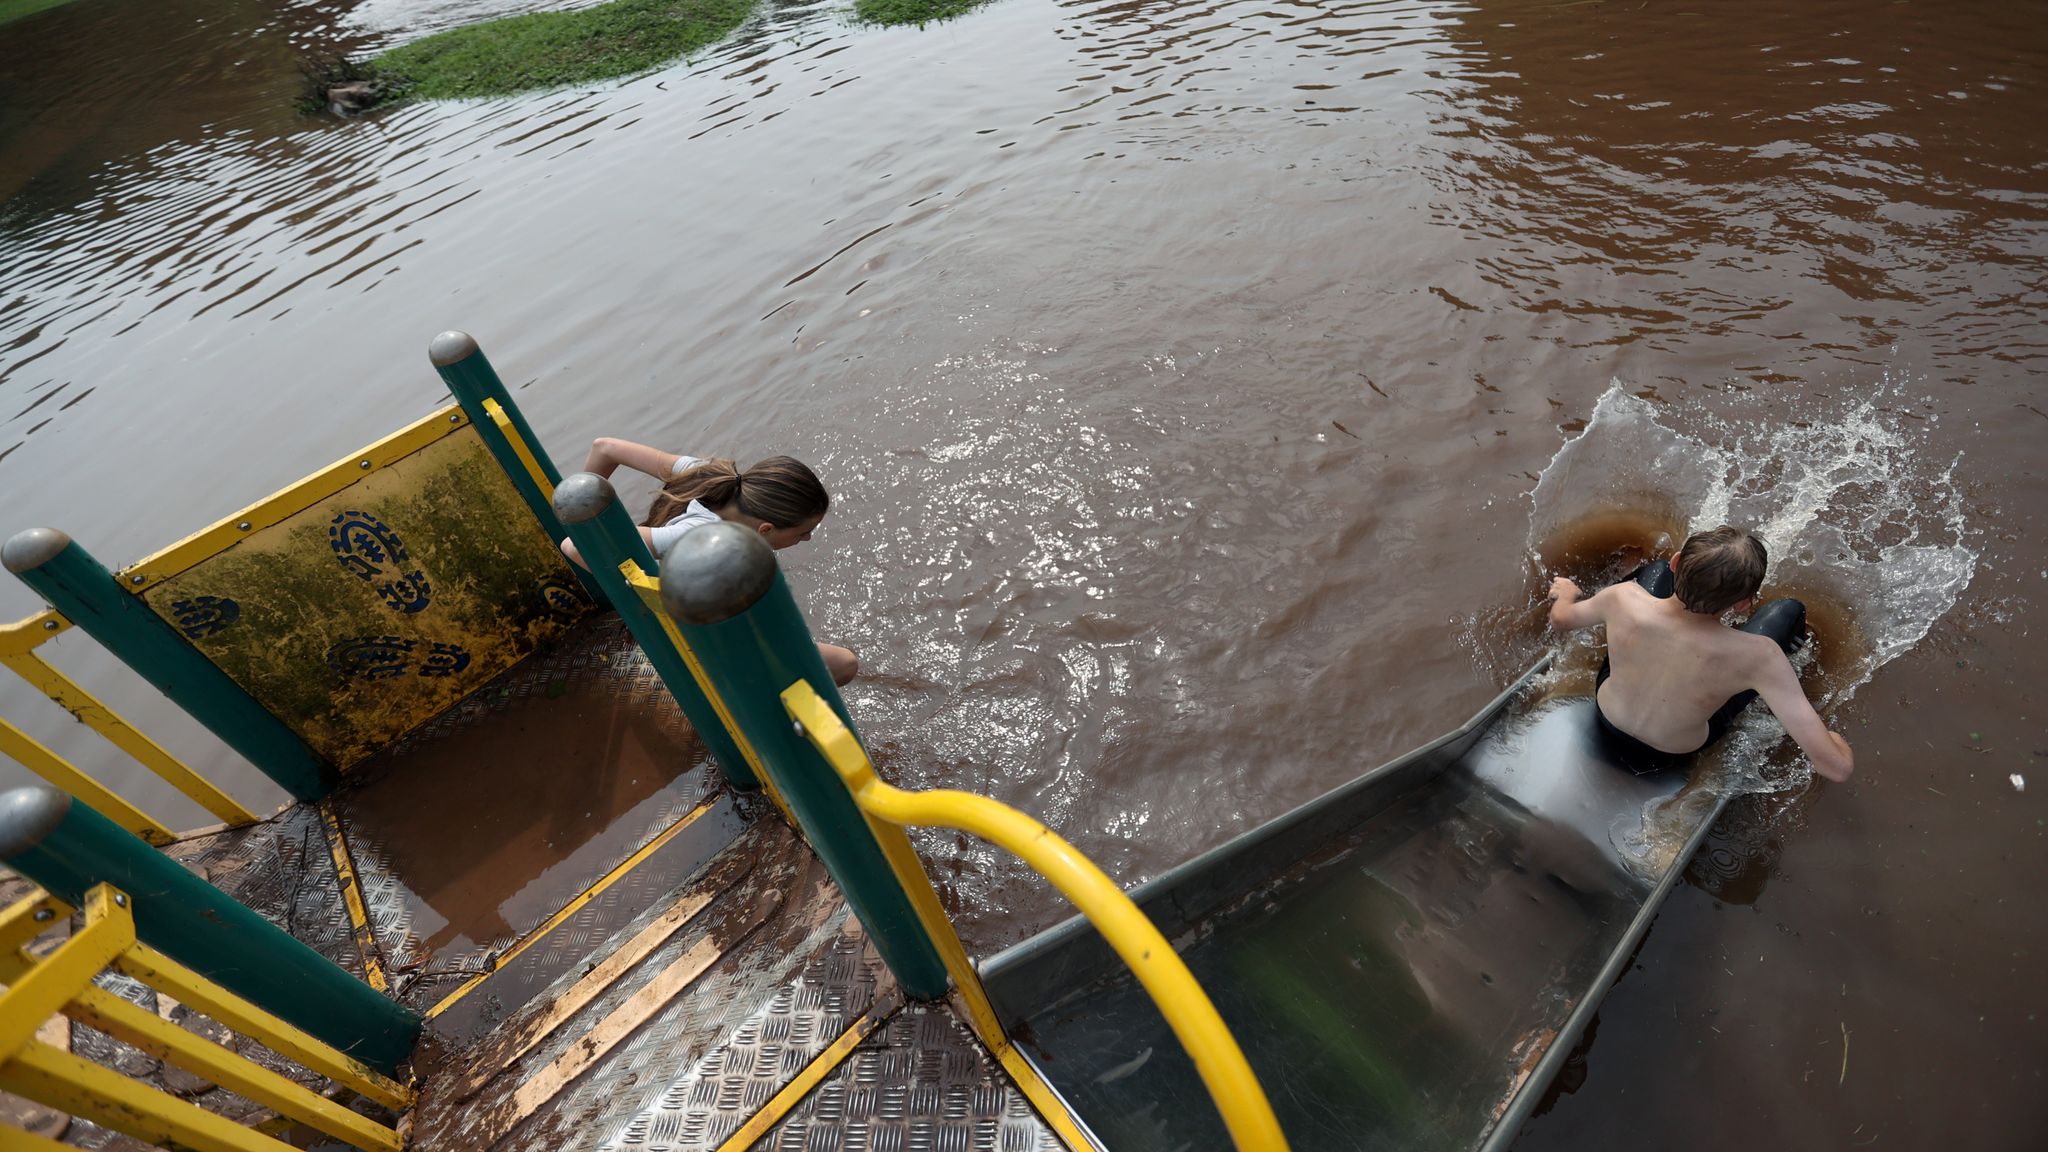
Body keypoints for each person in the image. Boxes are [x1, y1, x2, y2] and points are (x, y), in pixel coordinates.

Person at [1546, 525, 1853, 781]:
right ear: (1744, 603)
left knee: (1652, 571)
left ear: (1677, 562)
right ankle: (1793, 660)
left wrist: (1566, 593)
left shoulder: (1622, 598)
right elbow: (1836, 769)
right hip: (1673, 751)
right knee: (1789, 610)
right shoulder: (1761, 657)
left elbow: (1561, 619)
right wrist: (1836, 742)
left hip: (1607, 716)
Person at [561, 437, 858, 686]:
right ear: (765, 529)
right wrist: (645, 600)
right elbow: (574, 546)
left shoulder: (707, 474)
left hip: (702, 605)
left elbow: (604, 448)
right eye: (804, 532)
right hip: (701, 631)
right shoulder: (697, 537)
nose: (807, 540)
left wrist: (573, 514)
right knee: (844, 665)